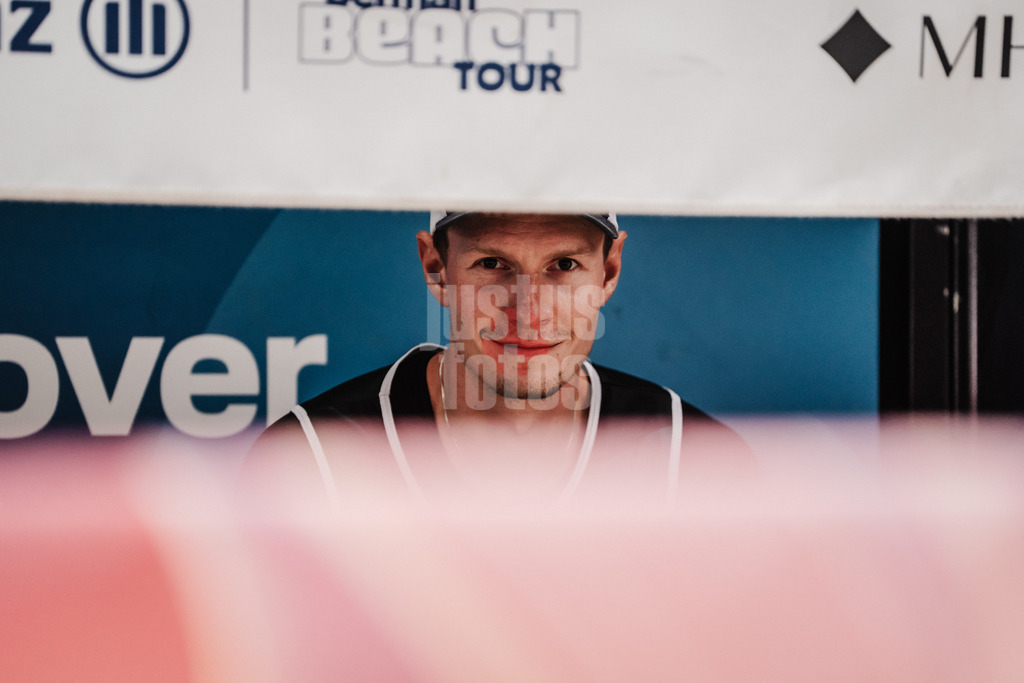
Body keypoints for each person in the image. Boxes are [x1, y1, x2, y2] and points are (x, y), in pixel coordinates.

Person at [246, 212, 752, 502]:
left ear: (609, 271)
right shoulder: (312, 460)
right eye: (492, 263)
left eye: (564, 265)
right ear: (436, 267)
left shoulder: (692, 460)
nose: (528, 308)